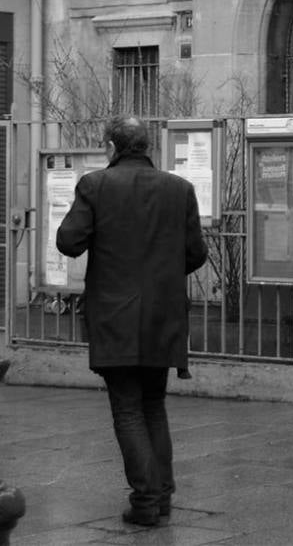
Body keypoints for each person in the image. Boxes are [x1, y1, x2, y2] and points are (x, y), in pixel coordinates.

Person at [57, 115, 207, 526]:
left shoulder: (95, 186)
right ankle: (161, 496)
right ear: (147, 147)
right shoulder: (180, 190)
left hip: (115, 317)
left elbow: (68, 241)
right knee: (153, 404)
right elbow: (196, 254)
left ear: (110, 148)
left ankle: (145, 501)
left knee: (126, 408)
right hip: (163, 315)